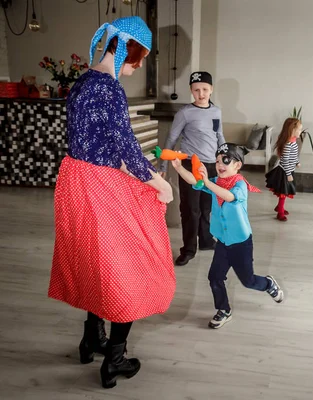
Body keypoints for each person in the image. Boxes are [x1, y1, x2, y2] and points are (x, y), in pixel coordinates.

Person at [48, 17, 176, 389]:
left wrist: (136, 169)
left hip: (76, 182)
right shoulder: (108, 87)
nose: (137, 66)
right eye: (139, 58)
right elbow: (125, 146)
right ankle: (115, 358)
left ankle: (92, 338)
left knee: (98, 262)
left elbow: (95, 143)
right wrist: (158, 183)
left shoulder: (82, 82)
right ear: (127, 49)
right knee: (131, 265)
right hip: (100, 187)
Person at [172, 143, 284, 329]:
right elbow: (195, 181)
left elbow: (230, 197)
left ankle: (268, 284)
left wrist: (208, 183)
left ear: (237, 165)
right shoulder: (216, 182)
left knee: (248, 281)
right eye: (217, 160)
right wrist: (178, 167)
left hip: (241, 243)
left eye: (226, 160)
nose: (220, 164)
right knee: (214, 277)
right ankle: (223, 309)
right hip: (223, 242)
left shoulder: (239, 184)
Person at [160, 71, 225, 266]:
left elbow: (219, 135)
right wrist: (163, 164)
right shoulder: (185, 113)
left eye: (205, 89)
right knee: (190, 209)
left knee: (207, 207)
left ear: (211, 89)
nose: (201, 93)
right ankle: (188, 249)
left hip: (212, 165)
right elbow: (171, 139)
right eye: (197, 90)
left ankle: (205, 240)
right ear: (191, 91)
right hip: (190, 165)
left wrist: (224, 159)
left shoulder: (216, 112)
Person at [266, 118, 302, 221]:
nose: (300, 132)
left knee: (285, 192)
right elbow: (284, 161)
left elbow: (294, 155)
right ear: (292, 130)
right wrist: (288, 174)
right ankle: (280, 212)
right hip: (284, 172)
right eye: (299, 129)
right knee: (283, 193)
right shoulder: (288, 145)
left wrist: (297, 162)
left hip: (290, 170)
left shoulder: (293, 142)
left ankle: (279, 207)